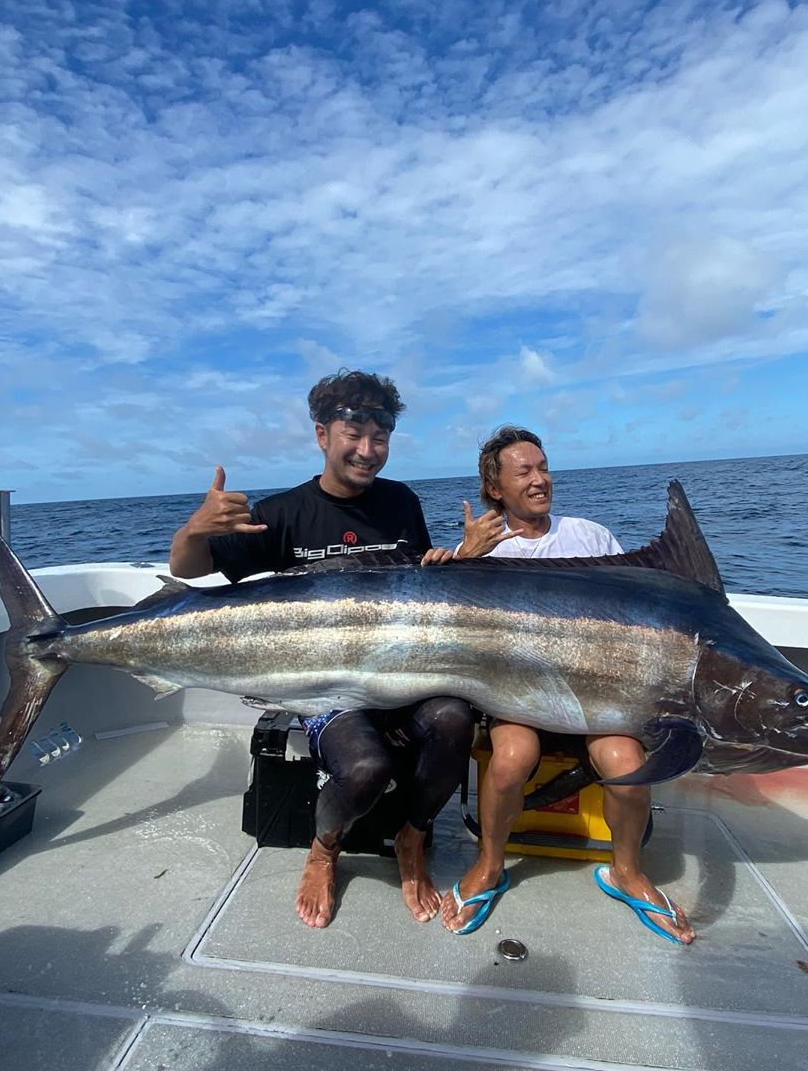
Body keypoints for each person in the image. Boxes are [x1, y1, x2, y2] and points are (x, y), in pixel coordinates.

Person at [169, 369, 473, 930]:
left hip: (404, 676)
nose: (367, 450)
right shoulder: (284, 512)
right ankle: (324, 848)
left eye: (379, 438)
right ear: (321, 435)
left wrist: (459, 560)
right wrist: (195, 528)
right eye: (353, 435)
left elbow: (422, 587)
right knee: (364, 767)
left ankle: (413, 835)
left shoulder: (402, 501)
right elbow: (187, 570)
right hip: (327, 687)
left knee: (455, 720)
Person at [442, 425, 695, 944]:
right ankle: (490, 865)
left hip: (599, 695)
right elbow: (447, 620)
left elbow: (635, 610)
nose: (540, 481)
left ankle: (627, 872)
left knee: (626, 764)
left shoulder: (592, 536)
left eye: (543, 467)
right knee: (511, 759)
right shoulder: (482, 548)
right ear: (496, 489)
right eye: (524, 472)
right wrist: (466, 559)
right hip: (519, 695)